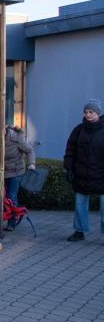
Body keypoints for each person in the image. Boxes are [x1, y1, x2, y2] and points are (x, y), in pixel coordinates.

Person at [65, 99, 104, 242]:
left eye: (91, 112)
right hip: (81, 174)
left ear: (98, 113)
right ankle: (79, 231)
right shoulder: (78, 130)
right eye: (86, 111)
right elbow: (70, 150)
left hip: (101, 175)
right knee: (80, 204)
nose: (88, 114)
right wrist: (69, 167)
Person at [3, 126, 36, 231]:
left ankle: (11, 222)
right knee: (1, 198)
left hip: (15, 172)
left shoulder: (16, 138)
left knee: (11, 196)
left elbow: (30, 151)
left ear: (5, 129)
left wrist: (31, 163)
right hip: (1, 173)